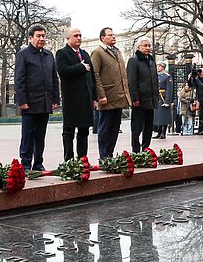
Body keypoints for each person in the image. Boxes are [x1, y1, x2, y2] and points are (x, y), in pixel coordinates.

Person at [14, 26, 60, 171]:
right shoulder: (24, 54)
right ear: (30, 38)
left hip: (45, 102)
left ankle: (38, 163)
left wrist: (55, 99)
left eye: (43, 36)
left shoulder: (48, 55)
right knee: (28, 135)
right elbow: (19, 79)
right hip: (30, 103)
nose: (41, 39)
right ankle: (25, 164)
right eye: (38, 36)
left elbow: (54, 78)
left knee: (40, 135)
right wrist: (22, 101)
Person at [55, 27, 96, 160]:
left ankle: (82, 158)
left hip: (86, 98)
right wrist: (81, 67)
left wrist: (94, 97)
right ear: (68, 39)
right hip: (71, 99)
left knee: (84, 130)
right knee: (69, 131)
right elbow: (62, 71)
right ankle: (69, 160)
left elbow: (92, 77)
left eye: (80, 35)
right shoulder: (62, 53)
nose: (79, 38)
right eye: (75, 35)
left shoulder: (85, 54)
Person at [91, 27, 131, 159]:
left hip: (118, 96)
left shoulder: (117, 51)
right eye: (110, 35)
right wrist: (100, 95)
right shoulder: (98, 52)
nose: (113, 37)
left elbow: (123, 76)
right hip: (107, 97)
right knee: (105, 128)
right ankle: (103, 156)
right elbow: (95, 75)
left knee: (114, 129)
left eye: (114, 35)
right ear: (103, 38)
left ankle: (110, 154)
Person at [125, 38, 157, 152]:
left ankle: (146, 148)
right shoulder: (134, 60)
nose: (148, 48)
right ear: (138, 47)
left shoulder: (151, 61)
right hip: (139, 99)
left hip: (150, 99)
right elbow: (132, 81)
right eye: (145, 46)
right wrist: (135, 98)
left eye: (149, 45)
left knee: (149, 126)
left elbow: (154, 80)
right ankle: (136, 149)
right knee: (137, 126)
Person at [153, 61, 173, 139]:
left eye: (159, 66)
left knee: (163, 117)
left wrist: (167, 101)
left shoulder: (167, 76)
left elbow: (169, 89)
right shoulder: (156, 76)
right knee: (158, 117)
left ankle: (163, 133)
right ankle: (159, 132)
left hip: (163, 98)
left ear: (163, 67)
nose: (157, 67)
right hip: (157, 98)